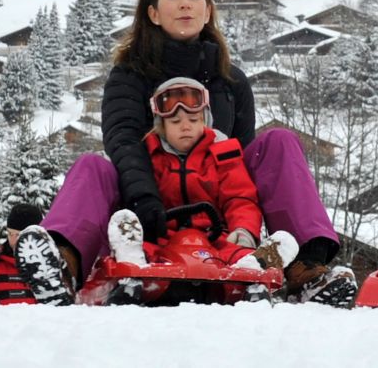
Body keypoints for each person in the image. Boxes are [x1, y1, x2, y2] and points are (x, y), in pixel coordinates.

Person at [23, 0, 355, 307]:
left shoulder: (231, 81)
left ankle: (306, 268)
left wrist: (240, 225)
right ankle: (62, 267)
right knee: (93, 165)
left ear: (208, 10)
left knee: (279, 142)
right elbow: (122, 141)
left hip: (214, 202)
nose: (185, 3)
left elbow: (237, 156)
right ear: (153, 13)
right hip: (144, 208)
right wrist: (143, 199)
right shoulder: (130, 76)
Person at [106, 76, 297, 272]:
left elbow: (240, 198)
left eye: (193, 119)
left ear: (205, 122)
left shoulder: (223, 155)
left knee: (235, 254)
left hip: (214, 239)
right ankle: (132, 263)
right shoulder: (152, 156)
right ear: (162, 127)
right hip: (166, 240)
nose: (185, 126)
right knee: (147, 251)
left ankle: (255, 266)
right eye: (175, 121)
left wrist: (243, 230)